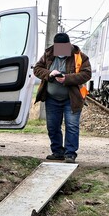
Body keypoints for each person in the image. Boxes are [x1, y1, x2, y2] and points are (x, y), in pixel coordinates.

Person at [33, 32, 92, 164]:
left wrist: (67, 78)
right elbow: (37, 69)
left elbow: (87, 74)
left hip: (72, 99)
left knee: (72, 126)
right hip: (51, 99)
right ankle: (58, 152)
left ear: (69, 45)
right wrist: (49, 74)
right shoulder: (48, 54)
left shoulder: (80, 56)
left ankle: (70, 154)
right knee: (53, 126)